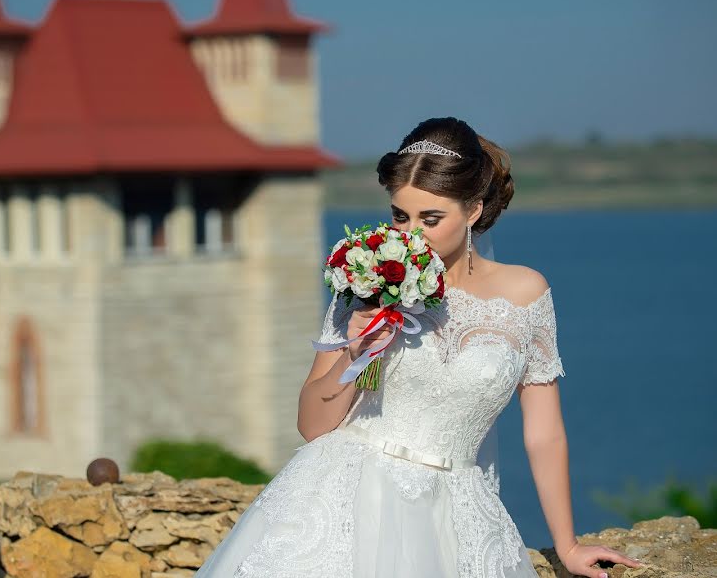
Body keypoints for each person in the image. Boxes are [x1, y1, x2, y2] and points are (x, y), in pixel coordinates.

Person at [194, 117, 642, 578]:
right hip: (343, 498)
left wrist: (566, 546)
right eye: (400, 216)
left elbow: (544, 434)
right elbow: (312, 425)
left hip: (457, 512)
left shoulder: (527, 293)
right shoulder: (367, 286)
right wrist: (358, 348)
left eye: (431, 219)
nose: (410, 234)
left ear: (473, 210)